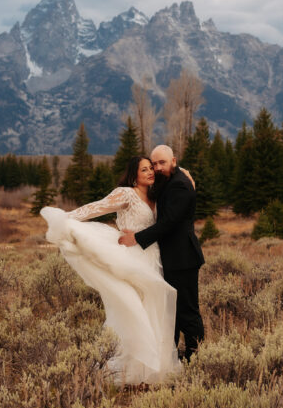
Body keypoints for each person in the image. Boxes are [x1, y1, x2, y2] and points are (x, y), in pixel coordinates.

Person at [40, 156, 181, 384]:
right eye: (143, 169)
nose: (149, 172)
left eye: (150, 168)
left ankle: (155, 369)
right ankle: (129, 367)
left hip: (154, 258)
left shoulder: (156, 194)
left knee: (154, 308)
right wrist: (66, 218)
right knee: (134, 308)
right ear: (134, 174)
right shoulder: (125, 193)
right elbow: (96, 208)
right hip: (132, 258)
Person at [119, 145, 205, 360]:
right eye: (153, 164)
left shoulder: (180, 186)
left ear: (173, 161)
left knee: (187, 313)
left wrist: (137, 238)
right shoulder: (171, 179)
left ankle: (196, 359)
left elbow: (168, 223)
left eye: (161, 163)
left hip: (182, 258)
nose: (156, 168)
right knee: (171, 313)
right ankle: (173, 359)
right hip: (171, 258)